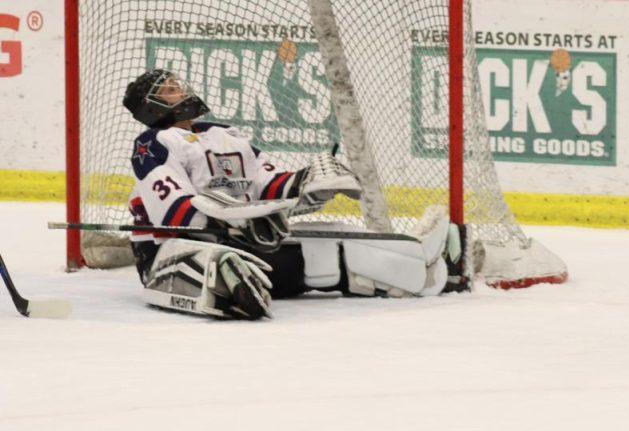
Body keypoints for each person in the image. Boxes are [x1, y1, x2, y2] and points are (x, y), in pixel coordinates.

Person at [122, 69, 454, 320]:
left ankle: (419, 263)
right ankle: (234, 287)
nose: (181, 90)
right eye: (169, 90)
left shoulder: (226, 136)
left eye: (178, 84)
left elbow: (267, 183)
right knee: (227, 262)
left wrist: (305, 184)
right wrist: (238, 221)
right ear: (151, 106)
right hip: (169, 254)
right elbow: (175, 213)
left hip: (240, 239)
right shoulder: (152, 144)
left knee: (329, 243)